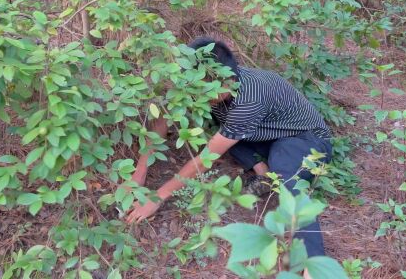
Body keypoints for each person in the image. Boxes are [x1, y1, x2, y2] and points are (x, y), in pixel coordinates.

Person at [125, 37, 333, 272]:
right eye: (195, 85)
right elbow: (162, 116)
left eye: (206, 89)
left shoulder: (249, 100)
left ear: (229, 81)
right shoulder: (194, 82)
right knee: (222, 133)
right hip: (263, 133)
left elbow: (206, 159)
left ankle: (312, 266)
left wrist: (158, 197)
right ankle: (262, 170)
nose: (197, 93)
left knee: (287, 176)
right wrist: (139, 172)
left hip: (305, 140)